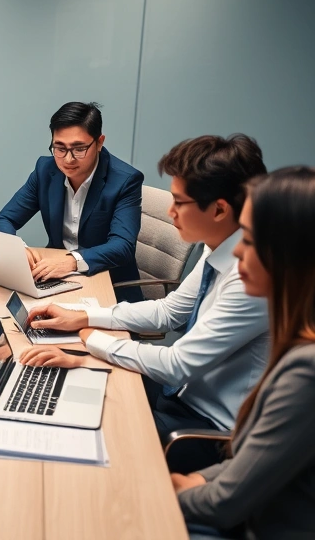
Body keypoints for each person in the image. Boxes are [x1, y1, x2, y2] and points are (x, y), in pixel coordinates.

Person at [20, 134, 269, 473]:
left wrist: (89, 341)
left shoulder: (249, 277)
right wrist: (82, 317)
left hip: (204, 434)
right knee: (63, 395)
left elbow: (177, 364)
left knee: (70, 442)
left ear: (219, 209)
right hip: (177, 396)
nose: (170, 212)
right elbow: (169, 311)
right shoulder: (220, 244)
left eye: (179, 202)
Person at [174, 167, 315, 538]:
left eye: (251, 240)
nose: (237, 249)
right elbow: (254, 464)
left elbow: (226, 504)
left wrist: (157, 491)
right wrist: (193, 479)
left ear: (301, 257)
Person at [0, 102, 144, 302]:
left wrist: (73, 261)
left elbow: (122, 246)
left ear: (99, 143)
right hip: (56, 279)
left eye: (79, 149)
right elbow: (3, 220)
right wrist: (17, 248)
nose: (68, 159)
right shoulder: (45, 170)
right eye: (59, 148)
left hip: (108, 283)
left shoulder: (125, 180)